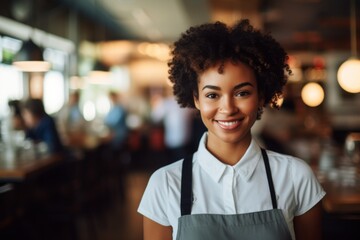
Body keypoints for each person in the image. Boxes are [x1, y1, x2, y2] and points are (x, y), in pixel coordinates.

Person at [137, 20, 325, 240]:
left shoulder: (296, 176)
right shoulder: (165, 184)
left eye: (242, 93)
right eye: (212, 95)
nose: (228, 108)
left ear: (261, 96)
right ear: (196, 99)